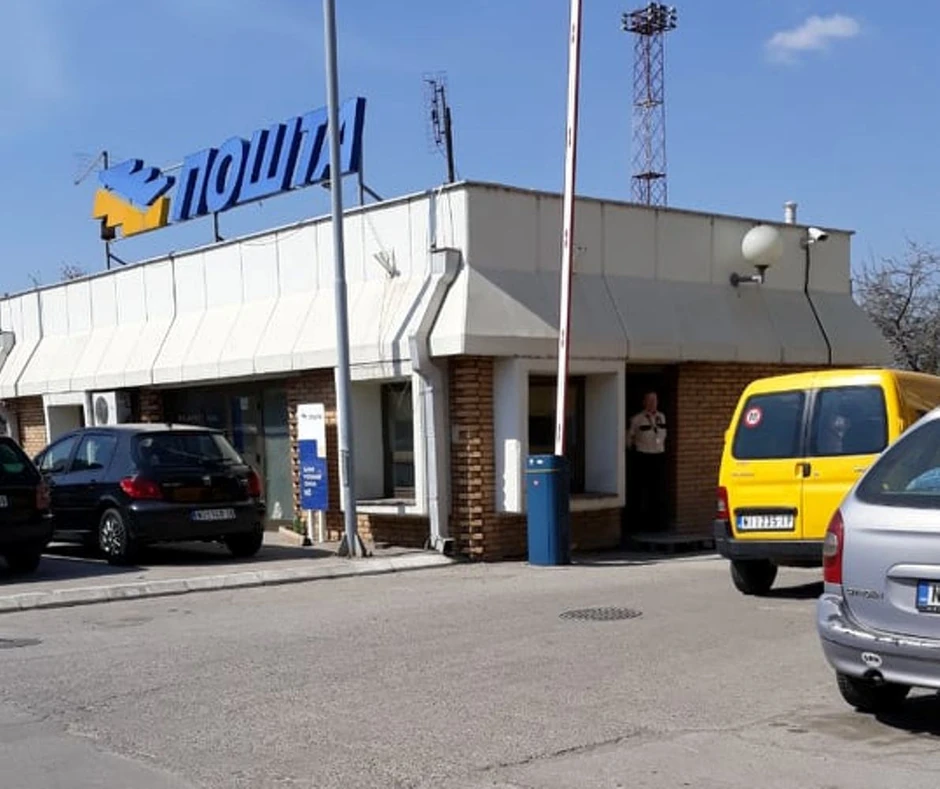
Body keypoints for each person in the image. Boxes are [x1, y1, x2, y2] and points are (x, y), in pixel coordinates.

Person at [627, 391, 668, 531]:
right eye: (649, 400)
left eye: (655, 400)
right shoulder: (637, 419)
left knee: (658, 491)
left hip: (658, 456)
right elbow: (629, 438)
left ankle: (657, 524)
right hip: (643, 457)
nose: (652, 403)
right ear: (644, 402)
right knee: (640, 490)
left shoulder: (662, 417)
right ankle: (637, 524)